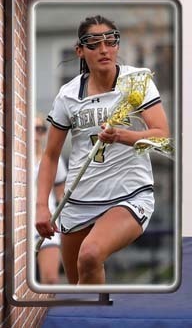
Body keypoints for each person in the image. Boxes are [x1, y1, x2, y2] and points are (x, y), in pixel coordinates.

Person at [35, 15, 170, 285]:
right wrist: (41, 206)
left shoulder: (137, 82)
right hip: (78, 200)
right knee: (78, 289)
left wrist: (121, 135)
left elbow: (162, 137)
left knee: (90, 254)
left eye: (110, 42)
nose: (104, 49)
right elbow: (50, 156)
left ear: (117, 46)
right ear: (80, 51)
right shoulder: (68, 95)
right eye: (94, 44)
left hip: (128, 195)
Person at [33, 116, 67, 285]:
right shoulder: (12, 159)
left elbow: (61, 195)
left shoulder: (54, 160)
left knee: (51, 279)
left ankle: (46, 312)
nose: (36, 133)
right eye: (33, 128)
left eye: (41, 129)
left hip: (47, 223)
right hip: (18, 226)